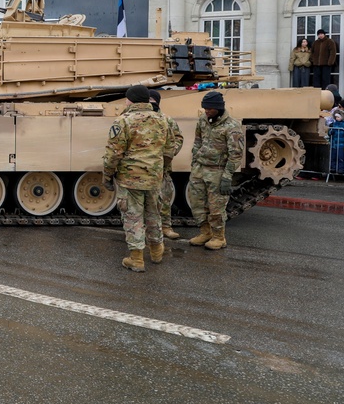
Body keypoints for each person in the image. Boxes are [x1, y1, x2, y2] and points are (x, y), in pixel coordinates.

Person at [102, 85, 169, 272]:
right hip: (154, 177)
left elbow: (114, 153)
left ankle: (137, 259)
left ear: (130, 100)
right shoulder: (162, 120)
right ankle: (156, 252)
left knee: (133, 217)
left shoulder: (123, 121)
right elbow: (169, 146)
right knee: (154, 214)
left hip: (130, 179)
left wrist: (107, 176)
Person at [187, 91, 244, 250]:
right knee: (197, 204)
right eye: (205, 108)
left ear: (219, 108)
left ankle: (219, 237)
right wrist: (194, 162)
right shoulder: (203, 121)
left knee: (216, 207)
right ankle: (205, 232)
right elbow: (197, 142)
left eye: (210, 109)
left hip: (217, 171)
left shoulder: (232, 127)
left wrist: (227, 176)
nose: (206, 111)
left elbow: (236, 154)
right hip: (200, 169)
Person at [148, 89, 184, 240]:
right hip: (142, 168)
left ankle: (166, 227)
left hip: (162, 167)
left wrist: (169, 154)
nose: (150, 104)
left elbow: (178, 138)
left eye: (153, 101)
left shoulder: (167, 120)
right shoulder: (138, 118)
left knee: (164, 198)